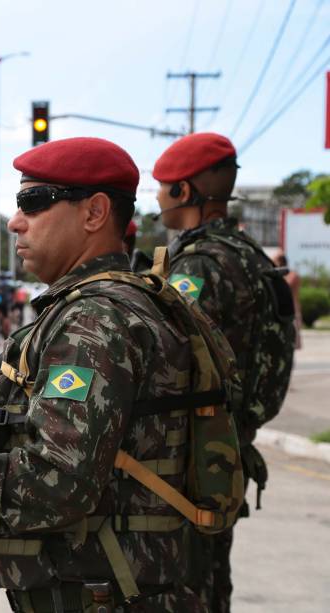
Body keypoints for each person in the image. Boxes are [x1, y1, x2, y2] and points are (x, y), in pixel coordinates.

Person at [0, 137, 234, 612]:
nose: (15, 221)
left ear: (94, 213)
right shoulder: (125, 303)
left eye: (33, 202)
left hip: (104, 597)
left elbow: (57, 483)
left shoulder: (94, 320)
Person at [153, 132, 296, 613]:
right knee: (213, 578)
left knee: (186, 584)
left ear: (184, 192)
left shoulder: (199, 265)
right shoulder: (252, 257)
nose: (157, 197)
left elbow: (167, 354)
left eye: (163, 186)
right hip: (230, 443)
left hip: (195, 452)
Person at [274, 251, 302, 350]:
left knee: (290, 341)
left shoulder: (292, 275)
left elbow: (287, 285)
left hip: (292, 310)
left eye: (275, 260)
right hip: (282, 310)